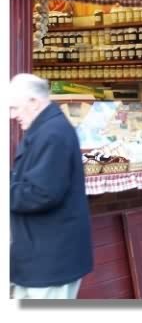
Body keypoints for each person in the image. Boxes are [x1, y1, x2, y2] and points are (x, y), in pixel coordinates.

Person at [10, 73, 93, 299]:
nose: (12, 115)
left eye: (15, 108)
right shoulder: (46, 128)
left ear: (34, 102)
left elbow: (41, 194)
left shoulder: (53, 133)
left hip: (51, 261)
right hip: (42, 258)